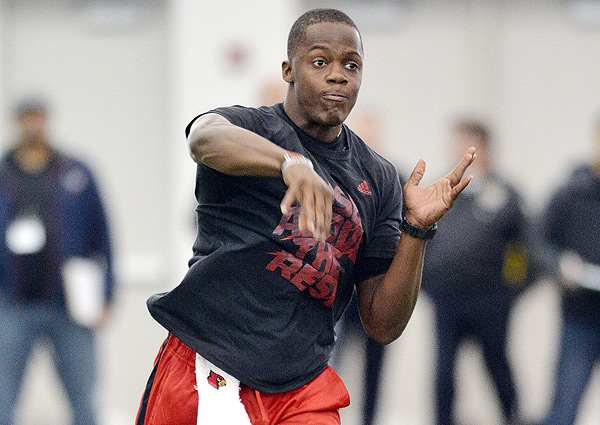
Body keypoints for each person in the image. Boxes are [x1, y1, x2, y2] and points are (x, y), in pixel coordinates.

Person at [136, 9, 475, 425]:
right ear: (288, 70)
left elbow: (382, 324)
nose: (338, 75)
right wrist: (289, 162)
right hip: (211, 361)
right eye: (320, 62)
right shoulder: (252, 127)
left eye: (351, 65)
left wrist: (417, 229)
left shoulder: (379, 177)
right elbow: (203, 136)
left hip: (301, 383)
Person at [0, 98, 114, 425]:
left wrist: (105, 294)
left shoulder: (75, 172)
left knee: (83, 397)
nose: (32, 125)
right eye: (26, 119)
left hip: (70, 305)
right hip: (13, 304)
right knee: (3, 397)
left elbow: (103, 235)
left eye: (38, 118)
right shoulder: (4, 175)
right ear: (17, 123)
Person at [423, 119, 528, 425]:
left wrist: (510, 292)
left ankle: (513, 417)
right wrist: (426, 283)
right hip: (446, 298)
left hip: (490, 300)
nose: (459, 151)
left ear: (484, 148)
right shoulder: (438, 190)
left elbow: (526, 250)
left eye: (466, 144)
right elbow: (422, 238)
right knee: (444, 371)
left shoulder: (506, 194)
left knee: (497, 365)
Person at [332, 110, 404, 425]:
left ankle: (369, 419)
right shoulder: (334, 173)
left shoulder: (392, 177)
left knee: (375, 362)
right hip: (340, 286)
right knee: (331, 357)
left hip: (377, 283)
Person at [539, 115, 600, 425]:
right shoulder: (570, 192)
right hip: (581, 317)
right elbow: (538, 241)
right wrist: (560, 264)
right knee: (565, 406)